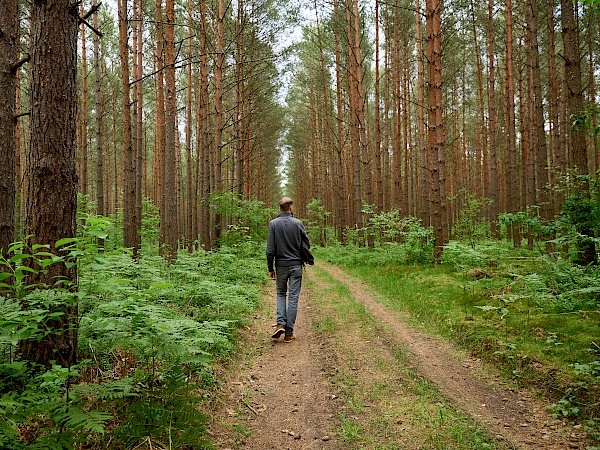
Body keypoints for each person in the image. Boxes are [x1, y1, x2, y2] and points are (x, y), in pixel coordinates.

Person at [266, 197, 310, 342]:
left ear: (280, 209)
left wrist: (270, 268)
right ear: (291, 208)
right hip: (296, 265)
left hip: (281, 266)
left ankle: (280, 324)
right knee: (293, 297)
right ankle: (289, 333)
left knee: (280, 293)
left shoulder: (273, 224)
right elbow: (306, 244)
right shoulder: (298, 223)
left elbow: (270, 250)